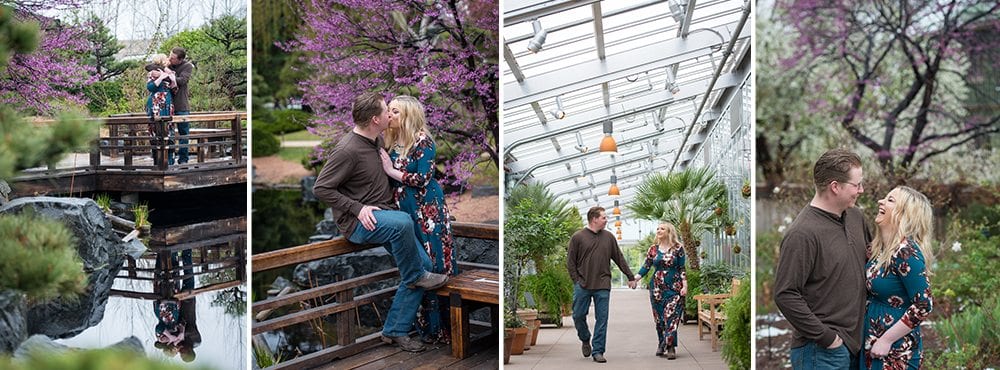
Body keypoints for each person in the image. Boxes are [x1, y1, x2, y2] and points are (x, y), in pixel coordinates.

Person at [313, 91, 449, 353]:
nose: (390, 114)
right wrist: (357, 207)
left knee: (424, 265)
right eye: (387, 110)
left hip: (383, 217)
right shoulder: (347, 149)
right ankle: (416, 277)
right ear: (376, 119)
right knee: (403, 227)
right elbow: (321, 188)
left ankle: (395, 331)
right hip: (359, 224)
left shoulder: (375, 142)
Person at [773, 148, 872, 370]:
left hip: (856, 345)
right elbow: (785, 294)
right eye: (857, 185)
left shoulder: (856, 217)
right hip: (821, 353)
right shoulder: (802, 233)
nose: (861, 190)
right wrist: (828, 339)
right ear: (835, 187)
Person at [378, 95, 456, 344]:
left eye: (395, 112)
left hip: (427, 210)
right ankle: (423, 327)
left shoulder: (423, 141)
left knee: (433, 262)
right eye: (389, 111)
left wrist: (391, 171)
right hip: (405, 210)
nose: (389, 115)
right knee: (416, 263)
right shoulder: (389, 142)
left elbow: (423, 178)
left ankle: (443, 329)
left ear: (409, 116)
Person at [860, 186, 933, 369]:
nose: (880, 201)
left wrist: (886, 340)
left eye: (890, 200)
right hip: (872, 339)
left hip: (894, 349)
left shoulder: (905, 251)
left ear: (904, 215)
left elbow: (924, 305)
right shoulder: (878, 249)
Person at [566, 206, 637, 363]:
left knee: (602, 319)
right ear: (594, 219)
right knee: (578, 315)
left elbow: (619, 258)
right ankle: (585, 338)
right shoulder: (578, 237)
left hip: (603, 285)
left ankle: (598, 350)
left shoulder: (609, 237)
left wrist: (630, 277)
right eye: (604, 217)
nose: (606, 220)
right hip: (582, 284)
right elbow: (570, 262)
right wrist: (576, 281)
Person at [633, 222, 687, 359]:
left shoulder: (678, 248)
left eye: (662, 228)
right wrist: (635, 279)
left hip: (675, 287)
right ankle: (661, 343)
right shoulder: (653, 249)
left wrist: (685, 286)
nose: (659, 230)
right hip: (656, 288)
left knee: (672, 317)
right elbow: (646, 266)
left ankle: (670, 346)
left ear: (669, 232)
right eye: (657, 228)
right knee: (659, 319)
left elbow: (682, 268)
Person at [145, 54, 176, 165]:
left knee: (169, 130)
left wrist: (172, 80)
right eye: (166, 59)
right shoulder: (152, 73)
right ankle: (157, 160)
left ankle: (170, 160)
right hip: (156, 103)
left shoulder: (169, 73)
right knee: (156, 130)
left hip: (167, 103)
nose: (168, 60)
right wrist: (161, 77)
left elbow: (174, 88)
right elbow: (150, 87)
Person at [168, 47, 194, 164]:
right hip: (168, 106)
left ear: (180, 59)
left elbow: (182, 80)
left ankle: (183, 159)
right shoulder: (167, 66)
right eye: (170, 56)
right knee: (169, 134)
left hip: (182, 105)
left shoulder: (187, 66)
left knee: (184, 134)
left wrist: (168, 76)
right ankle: (169, 159)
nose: (170, 59)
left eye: (172, 58)